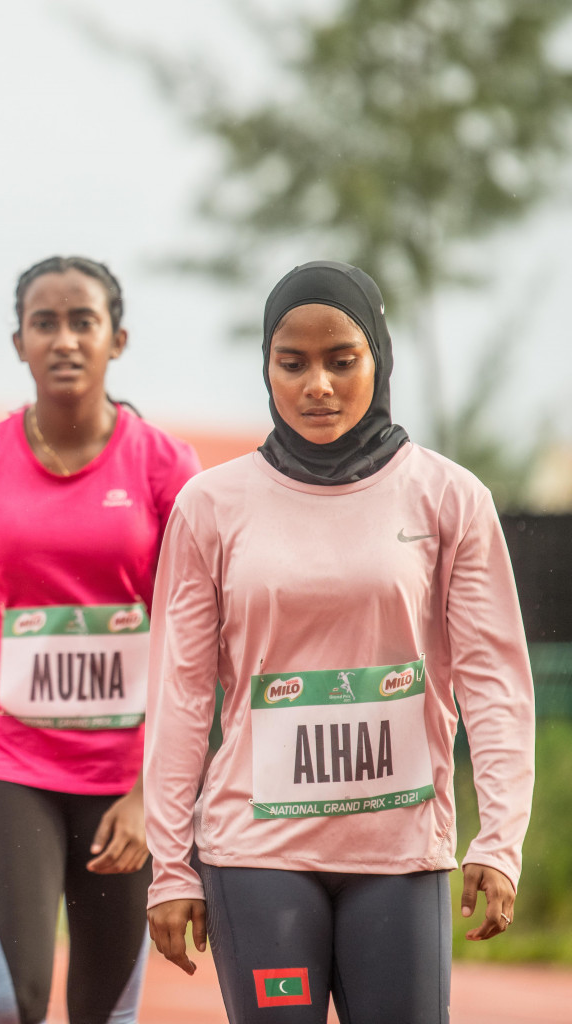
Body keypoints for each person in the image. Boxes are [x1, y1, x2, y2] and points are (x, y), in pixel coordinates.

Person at [143, 261, 536, 1023]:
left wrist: (500, 838)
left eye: (340, 360)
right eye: (292, 364)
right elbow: (183, 692)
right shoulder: (210, 506)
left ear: (378, 360)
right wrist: (170, 868)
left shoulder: (450, 497)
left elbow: (495, 681)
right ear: (267, 368)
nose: (316, 384)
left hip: (399, 852)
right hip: (255, 851)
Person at [0, 257, 200, 1024]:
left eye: (83, 321)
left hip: (124, 775)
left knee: (103, 1013)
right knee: (12, 1005)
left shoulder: (164, 466)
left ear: (117, 338)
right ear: (19, 341)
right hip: (6, 759)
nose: (65, 338)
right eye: (45, 322)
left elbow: (190, 647)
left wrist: (153, 793)